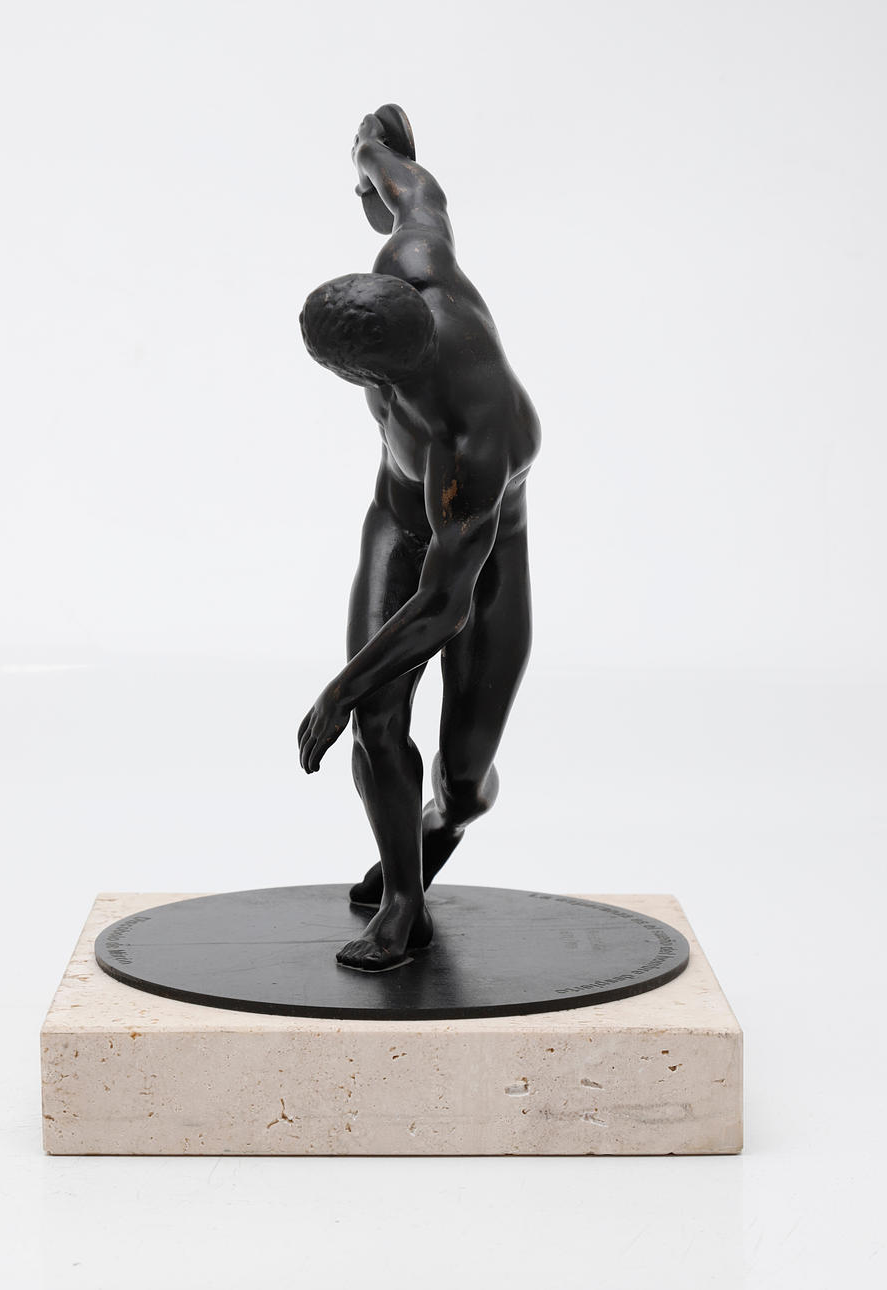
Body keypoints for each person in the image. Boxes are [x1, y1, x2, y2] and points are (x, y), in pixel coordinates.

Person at [298, 109, 540, 971]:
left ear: (367, 374)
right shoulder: (413, 256)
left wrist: (333, 690)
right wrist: (373, 148)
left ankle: (441, 826)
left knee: (465, 780)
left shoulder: (470, 437)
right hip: (396, 522)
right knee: (378, 717)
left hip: (478, 564)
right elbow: (415, 189)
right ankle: (404, 905)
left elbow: (444, 606)